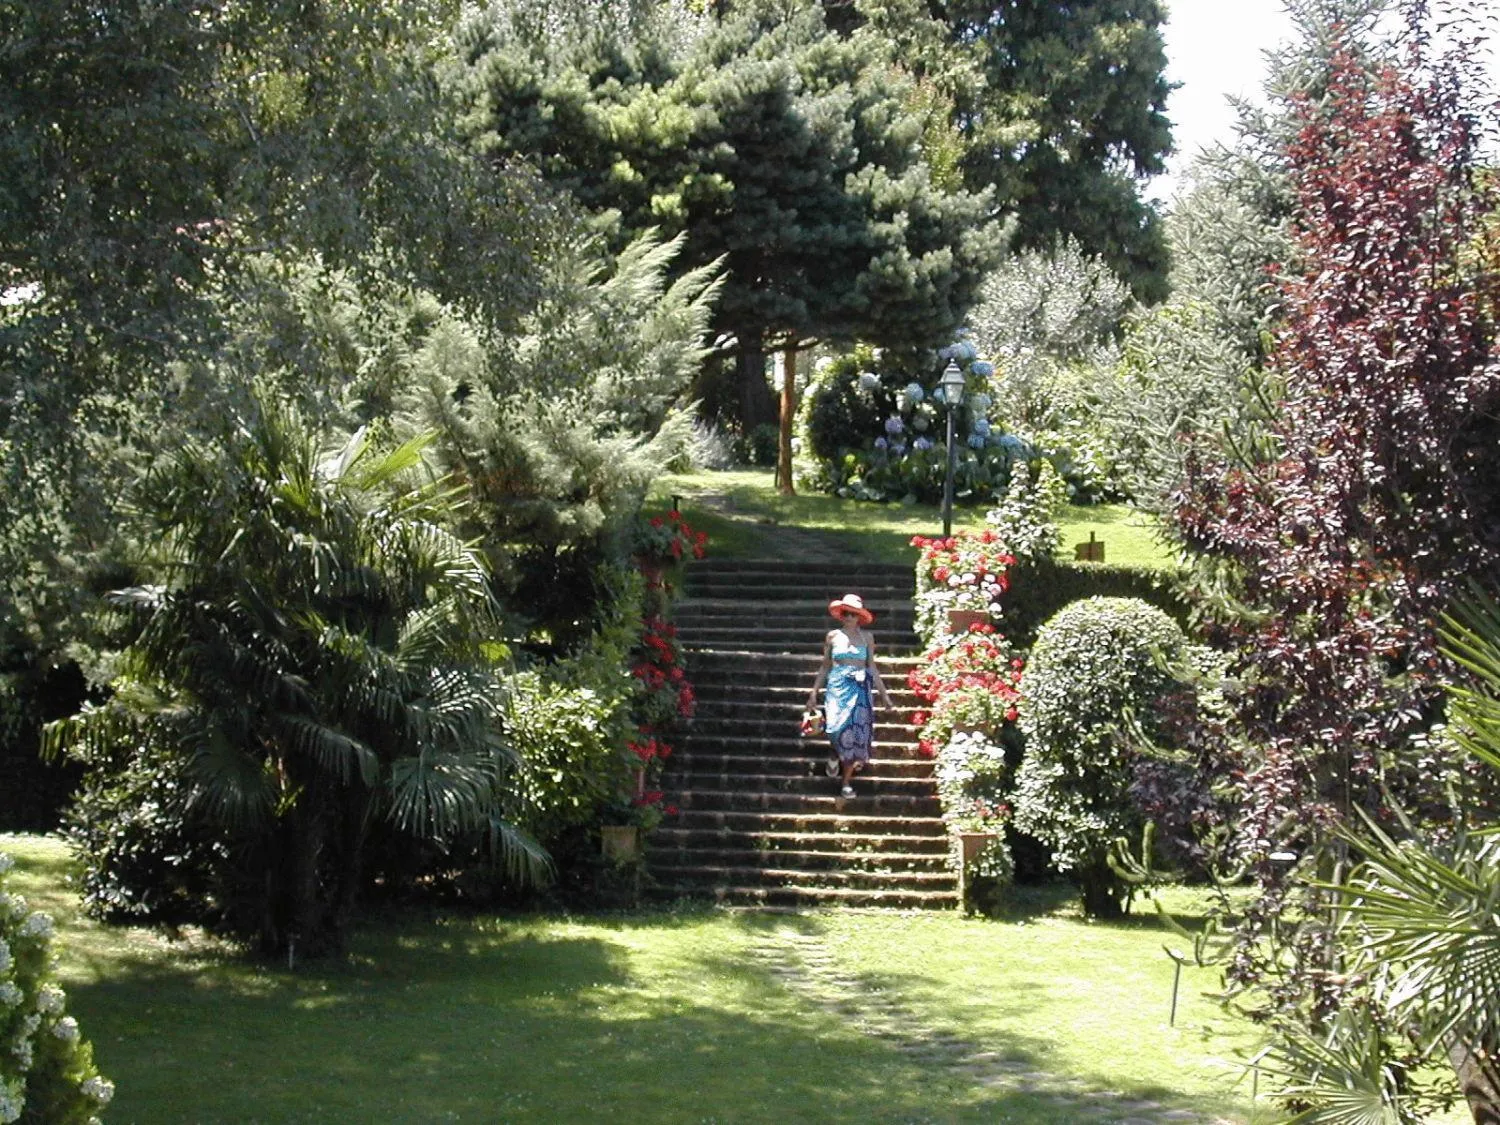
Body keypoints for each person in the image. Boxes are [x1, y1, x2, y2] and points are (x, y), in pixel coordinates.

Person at [805, 593, 894, 798]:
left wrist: (884, 695)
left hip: (860, 688)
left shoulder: (867, 638)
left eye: (853, 614)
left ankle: (846, 782)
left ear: (859, 617)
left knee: (855, 736)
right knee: (835, 727)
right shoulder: (833, 636)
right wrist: (813, 693)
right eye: (845, 614)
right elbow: (825, 665)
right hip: (837, 686)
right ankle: (835, 753)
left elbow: (872, 666)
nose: (849, 618)